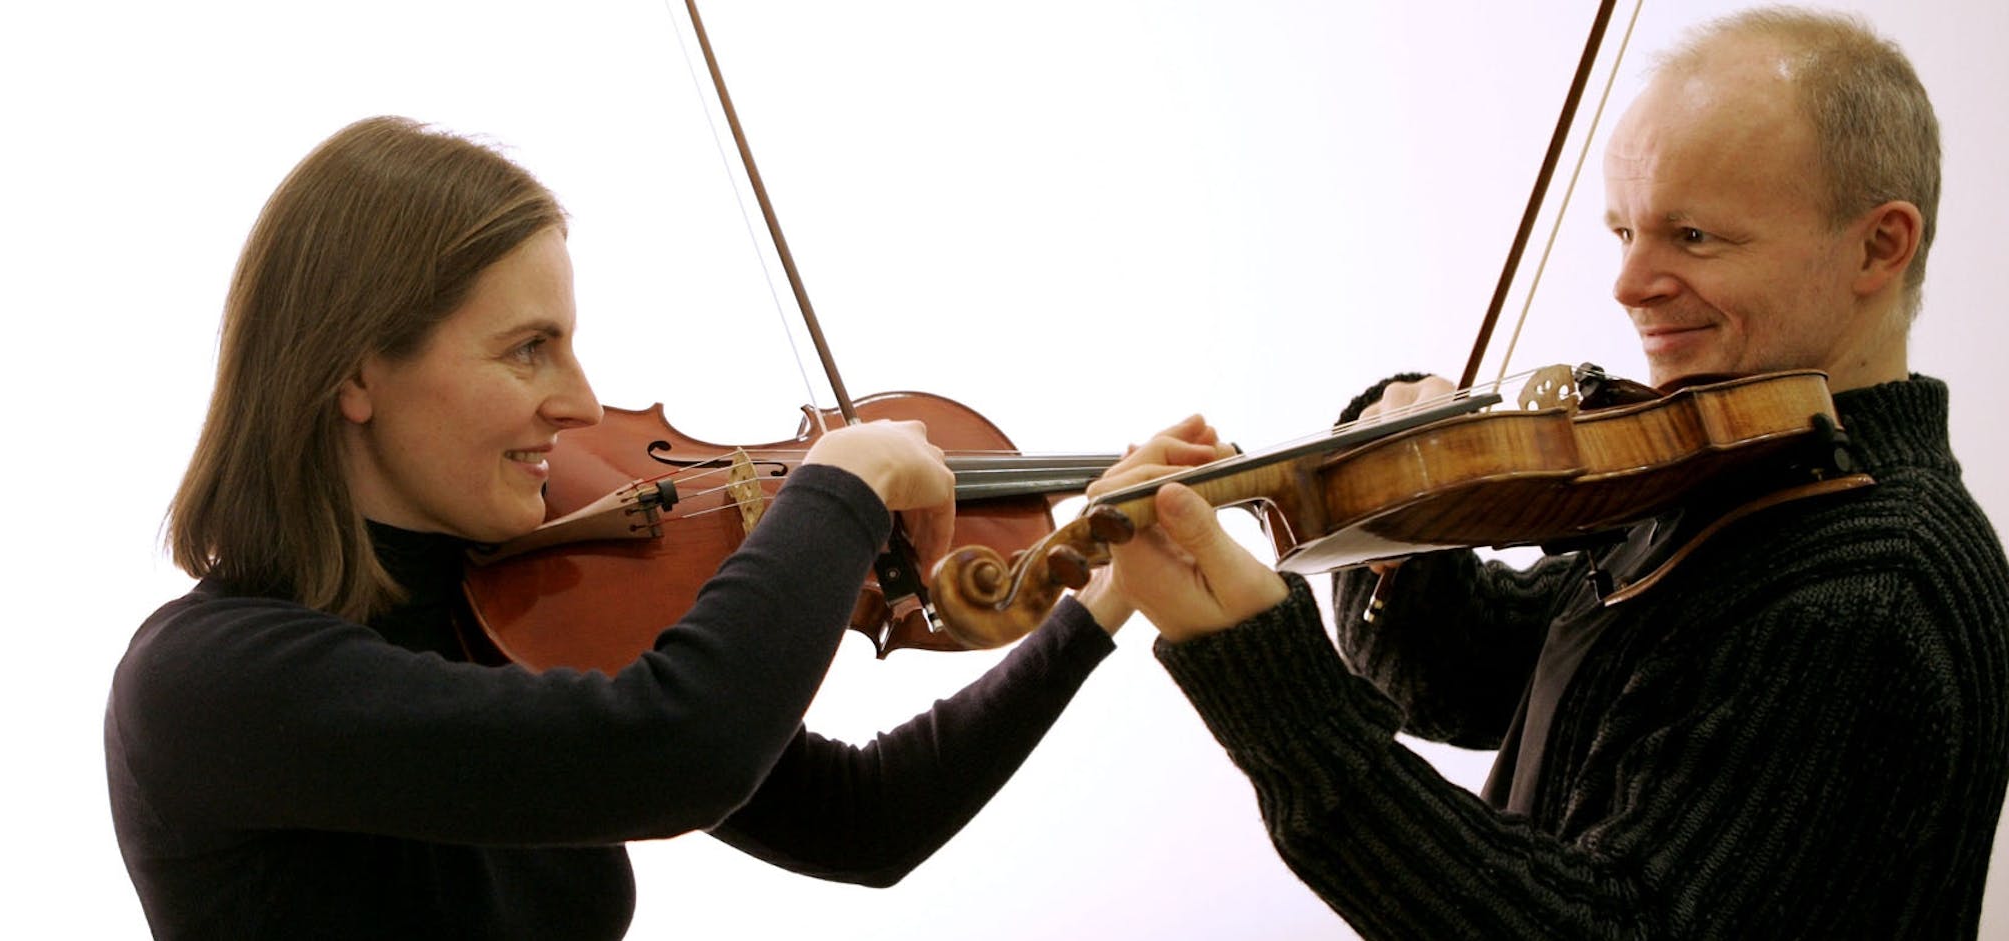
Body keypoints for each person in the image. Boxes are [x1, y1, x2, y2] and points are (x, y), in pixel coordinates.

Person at [102, 115, 1154, 939]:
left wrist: (1109, 593)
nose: (577, 399)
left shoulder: (526, 618)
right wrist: (839, 483)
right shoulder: (210, 679)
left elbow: (864, 818)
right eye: (529, 349)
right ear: (355, 373)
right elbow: (681, 746)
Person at [1091, 7, 2009, 937]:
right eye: (1624, 233)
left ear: (1879, 245)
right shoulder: (1738, 484)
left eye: (1693, 236)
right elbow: (1474, 679)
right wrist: (1401, 528)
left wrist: (1270, 683)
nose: (1629, 283)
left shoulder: (1864, 589)